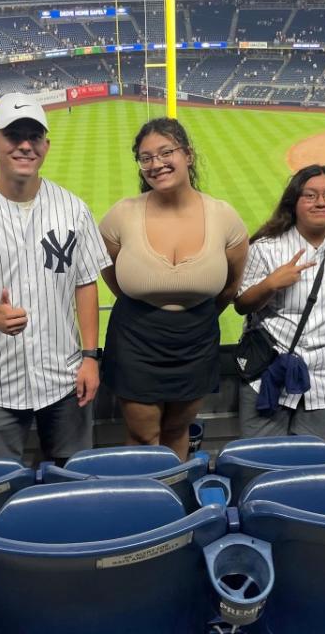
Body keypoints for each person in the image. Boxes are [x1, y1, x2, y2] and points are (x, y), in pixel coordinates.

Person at [0, 93, 109, 464]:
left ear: (46, 145)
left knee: (72, 478)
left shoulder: (73, 209)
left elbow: (85, 283)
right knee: (4, 486)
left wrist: (90, 357)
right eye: (13, 135)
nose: (25, 145)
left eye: (33, 135)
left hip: (65, 376)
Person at [99, 118, 248, 460]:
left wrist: (196, 313)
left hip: (196, 339)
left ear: (188, 156)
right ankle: (146, 508)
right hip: (135, 338)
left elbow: (231, 285)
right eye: (146, 157)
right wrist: (140, 301)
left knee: (177, 431)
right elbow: (106, 267)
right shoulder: (122, 214)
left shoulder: (223, 216)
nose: (156, 164)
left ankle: (175, 501)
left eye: (166, 152)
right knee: (142, 435)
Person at [235, 164, 325, 443]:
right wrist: (270, 284)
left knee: (314, 462)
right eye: (310, 196)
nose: (321, 202)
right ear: (294, 203)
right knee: (262, 459)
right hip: (270, 370)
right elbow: (242, 305)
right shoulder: (266, 246)